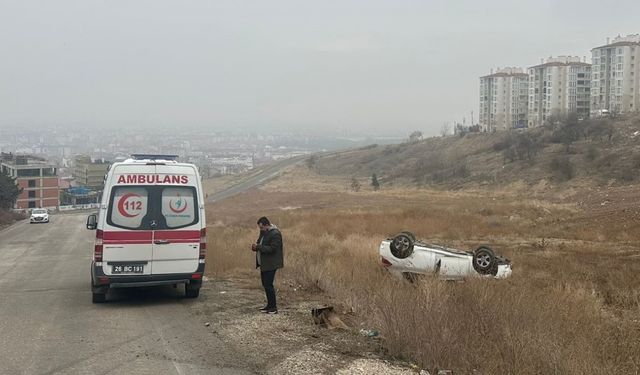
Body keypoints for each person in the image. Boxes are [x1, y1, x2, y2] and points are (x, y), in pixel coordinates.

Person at [251, 216, 283, 314]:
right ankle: (269, 306)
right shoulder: (264, 232)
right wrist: (255, 247)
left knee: (269, 285)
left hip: (271, 264)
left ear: (266, 225)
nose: (261, 230)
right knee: (265, 284)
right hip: (264, 263)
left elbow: (272, 249)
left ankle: (273, 308)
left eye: (261, 227)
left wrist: (259, 247)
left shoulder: (275, 234)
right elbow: (260, 243)